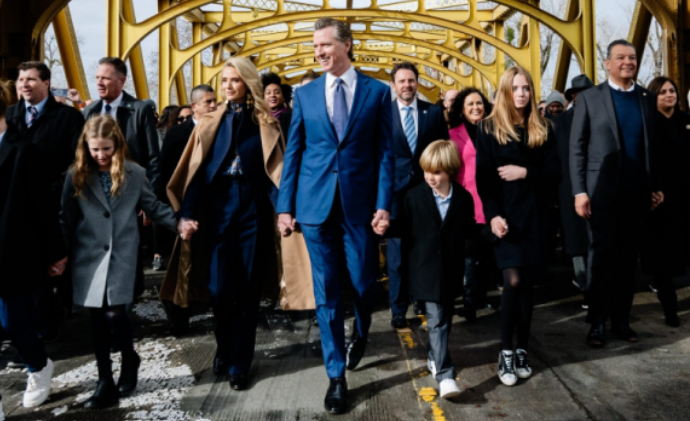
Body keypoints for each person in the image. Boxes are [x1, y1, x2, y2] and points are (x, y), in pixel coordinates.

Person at [160, 56, 310, 391]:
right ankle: (224, 347)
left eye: (235, 80)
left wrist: (284, 211)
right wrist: (187, 213)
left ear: (248, 83)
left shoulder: (266, 123)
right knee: (218, 289)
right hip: (216, 210)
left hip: (253, 211)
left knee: (247, 290)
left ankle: (240, 362)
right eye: (225, 80)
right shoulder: (209, 122)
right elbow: (196, 173)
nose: (228, 86)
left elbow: (276, 174)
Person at [276, 17, 394, 414]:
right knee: (325, 291)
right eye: (314, 47)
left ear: (346, 44)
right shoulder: (305, 94)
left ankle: (362, 330)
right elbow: (294, 151)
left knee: (362, 282)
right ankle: (336, 376)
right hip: (314, 207)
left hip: (360, 206)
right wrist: (285, 206)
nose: (318, 52)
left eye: (324, 45)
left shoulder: (378, 92)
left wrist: (383, 204)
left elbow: (385, 153)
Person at [60, 115, 178, 409]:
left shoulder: (134, 174)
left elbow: (153, 206)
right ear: (85, 147)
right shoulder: (75, 175)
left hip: (122, 254)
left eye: (106, 149)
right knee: (96, 318)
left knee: (115, 313)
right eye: (95, 149)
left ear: (117, 145)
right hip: (88, 257)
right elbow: (66, 218)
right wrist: (60, 255)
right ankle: (105, 380)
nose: (101, 155)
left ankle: (128, 358)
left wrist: (181, 224)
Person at [570, 40, 663, 347]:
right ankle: (597, 323)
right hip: (601, 195)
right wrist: (580, 191)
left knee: (627, 262)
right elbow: (577, 148)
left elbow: (653, 148)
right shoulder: (590, 98)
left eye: (632, 57)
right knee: (601, 260)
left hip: (637, 196)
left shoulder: (647, 99)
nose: (627, 62)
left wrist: (655, 186)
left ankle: (621, 321)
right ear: (607, 63)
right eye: (620, 57)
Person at [476, 66, 560, 386]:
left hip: (536, 216)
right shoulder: (488, 128)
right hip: (506, 217)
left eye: (526, 88)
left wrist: (525, 172)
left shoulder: (544, 127)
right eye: (515, 88)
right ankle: (506, 351)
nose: (521, 94)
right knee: (512, 281)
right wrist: (493, 216)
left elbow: (555, 173)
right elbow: (484, 179)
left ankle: (522, 349)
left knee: (527, 284)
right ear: (505, 92)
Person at [4, 61, 85, 343]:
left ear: (46, 83)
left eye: (31, 79)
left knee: (53, 265)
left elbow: (78, 163)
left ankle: (50, 320)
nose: (24, 84)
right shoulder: (10, 115)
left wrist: (58, 189)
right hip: (14, 205)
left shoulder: (68, 118)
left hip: (54, 202)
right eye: (21, 80)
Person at [386, 140, 474, 399]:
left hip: (450, 272)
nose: (430, 177)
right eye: (426, 171)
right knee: (437, 321)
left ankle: (435, 358)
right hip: (425, 271)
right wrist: (384, 227)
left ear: (450, 170)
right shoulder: (414, 197)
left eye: (436, 172)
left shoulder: (463, 199)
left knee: (445, 320)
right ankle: (446, 375)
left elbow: (468, 233)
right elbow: (403, 229)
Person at [0, 79, 67, 414]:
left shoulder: (24, 151)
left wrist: (56, 253)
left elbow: (43, 207)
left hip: (12, 252)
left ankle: (38, 366)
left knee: (13, 322)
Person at [387, 61, 448, 329]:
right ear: (394, 85)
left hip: (426, 190)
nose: (407, 85)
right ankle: (398, 308)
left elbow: (443, 150)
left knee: (424, 249)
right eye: (402, 81)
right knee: (397, 254)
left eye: (411, 80)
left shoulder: (432, 113)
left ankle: (420, 297)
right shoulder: (383, 113)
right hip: (394, 192)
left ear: (417, 82)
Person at [156, 84, 217, 330]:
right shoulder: (177, 135)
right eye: (208, 102)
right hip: (182, 207)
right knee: (182, 264)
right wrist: (170, 210)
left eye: (215, 101)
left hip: (213, 209)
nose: (213, 106)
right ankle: (180, 316)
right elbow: (166, 172)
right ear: (194, 106)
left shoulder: (221, 129)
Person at [640, 76, 690, 327]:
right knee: (662, 259)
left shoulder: (685, 121)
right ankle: (670, 309)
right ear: (653, 97)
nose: (670, 95)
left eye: (672, 90)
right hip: (659, 199)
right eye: (663, 92)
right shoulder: (647, 124)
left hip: (685, 196)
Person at [448, 87, 494, 321]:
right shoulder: (452, 134)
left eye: (479, 103)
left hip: (491, 200)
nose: (476, 107)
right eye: (470, 104)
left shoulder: (494, 131)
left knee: (486, 253)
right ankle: (469, 301)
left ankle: (482, 294)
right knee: (468, 254)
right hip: (465, 202)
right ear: (462, 110)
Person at [83, 57, 160, 184]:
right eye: (97, 77)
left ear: (121, 81)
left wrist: (149, 191)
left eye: (105, 78)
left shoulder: (140, 110)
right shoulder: (89, 111)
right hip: (96, 187)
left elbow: (153, 157)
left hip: (131, 186)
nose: (99, 83)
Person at [552, 75, 594, 300]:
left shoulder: (601, 118)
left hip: (597, 188)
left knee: (596, 238)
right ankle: (585, 284)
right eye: (579, 93)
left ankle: (593, 284)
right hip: (568, 189)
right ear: (573, 97)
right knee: (575, 238)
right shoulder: (558, 124)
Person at [262, 72, 293, 137]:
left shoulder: (292, 117)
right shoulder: (259, 120)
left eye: (277, 92)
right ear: (263, 98)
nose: (272, 95)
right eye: (268, 93)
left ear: (283, 97)